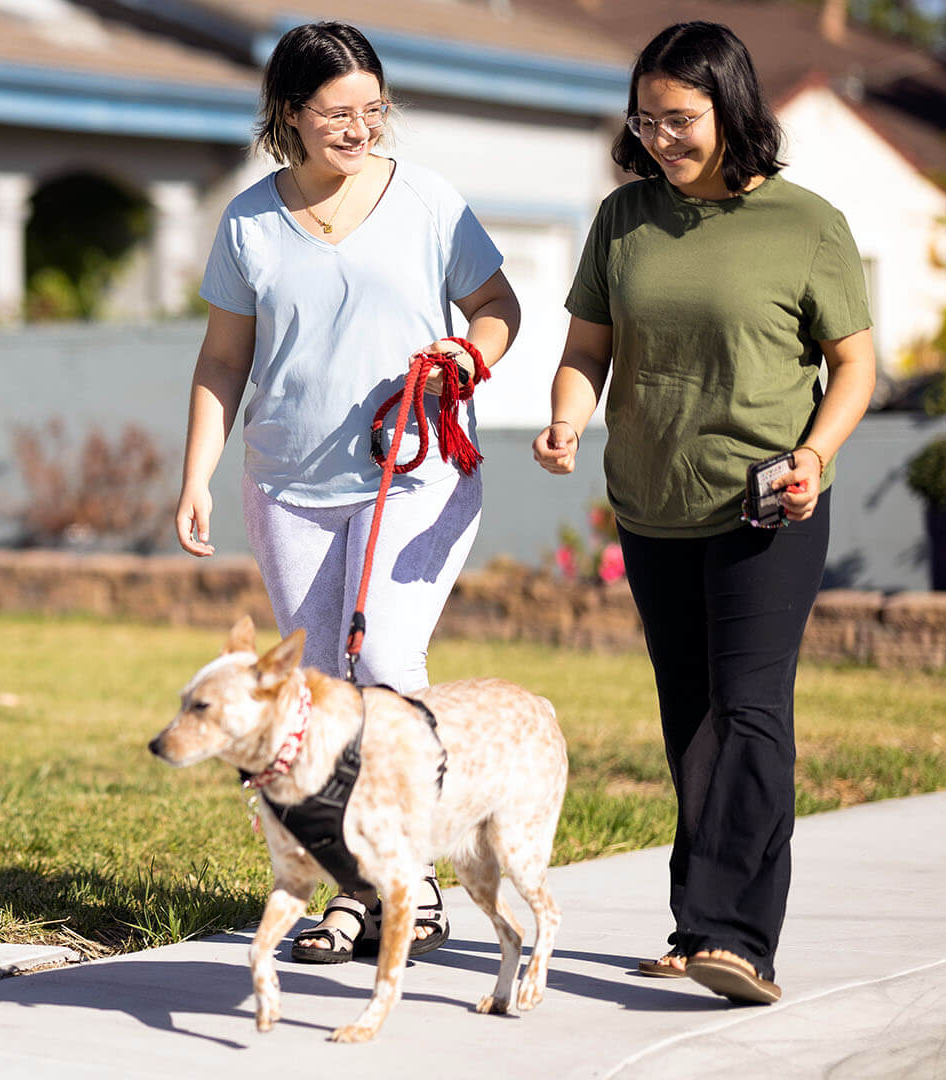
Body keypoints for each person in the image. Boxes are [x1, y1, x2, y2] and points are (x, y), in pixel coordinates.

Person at [533, 21, 876, 1005]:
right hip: (652, 506)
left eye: (678, 119)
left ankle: (740, 938)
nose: (658, 138)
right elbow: (587, 349)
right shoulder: (624, 218)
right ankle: (695, 923)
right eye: (644, 120)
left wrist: (815, 452)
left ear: (731, 108)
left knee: (752, 707)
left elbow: (855, 363)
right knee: (692, 715)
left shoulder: (805, 224)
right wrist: (565, 417)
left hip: (770, 502)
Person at [175, 20, 520, 965]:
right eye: (338, 113)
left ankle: (414, 882)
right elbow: (223, 357)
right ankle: (359, 890)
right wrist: (198, 472)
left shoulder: (428, 204)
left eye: (375, 110)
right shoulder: (248, 221)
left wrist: (466, 353)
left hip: (414, 468)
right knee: (321, 694)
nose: (362, 128)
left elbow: (499, 308)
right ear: (290, 113)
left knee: (387, 659)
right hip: (287, 484)